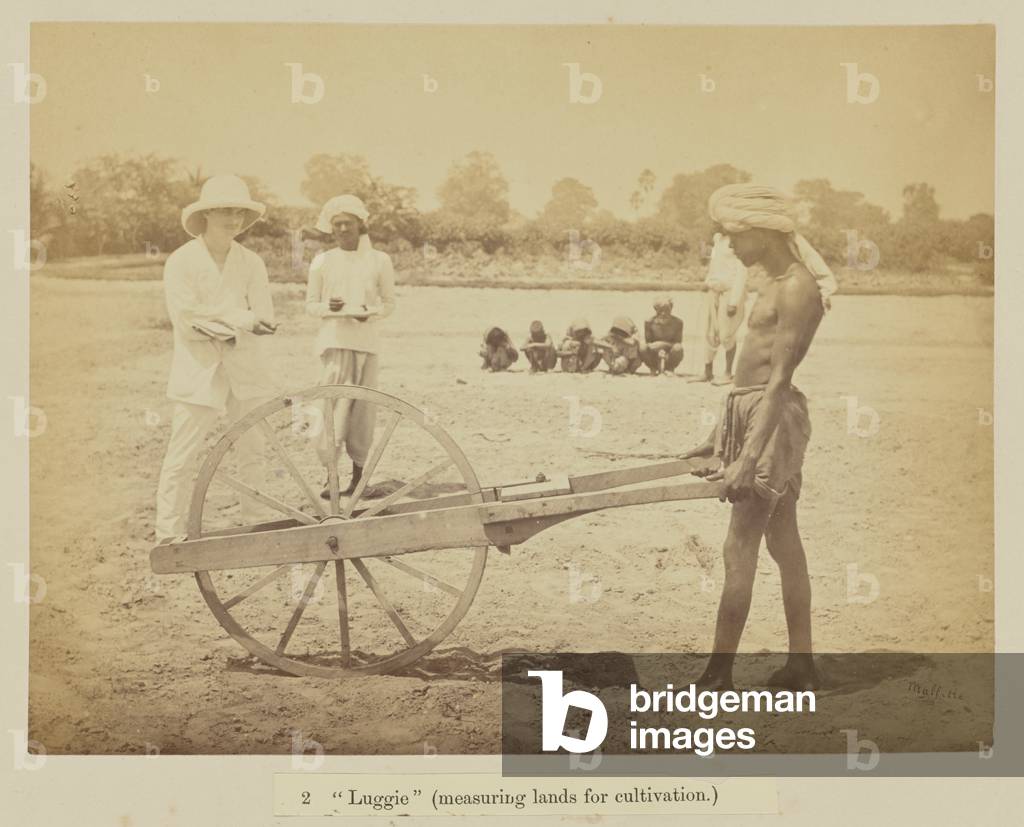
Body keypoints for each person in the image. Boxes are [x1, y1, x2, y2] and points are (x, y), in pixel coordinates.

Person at [682, 183, 835, 692]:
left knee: (738, 546)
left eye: (733, 236)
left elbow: (776, 380)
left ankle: (718, 674)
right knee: (784, 541)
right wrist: (716, 439)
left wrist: (748, 458)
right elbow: (750, 375)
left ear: (763, 233)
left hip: (773, 420)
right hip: (752, 413)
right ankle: (802, 665)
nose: (729, 246)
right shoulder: (768, 282)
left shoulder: (795, 288)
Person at [155, 174, 278, 542]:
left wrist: (226, 320)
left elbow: (266, 317)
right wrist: (241, 318)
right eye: (225, 211)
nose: (233, 219)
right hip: (199, 370)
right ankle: (168, 533)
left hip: (246, 367)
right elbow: (188, 323)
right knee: (183, 454)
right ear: (206, 215)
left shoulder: (251, 262)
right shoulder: (181, 262)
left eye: (239, 212)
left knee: (253, 448)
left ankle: (255, 523)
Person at [305, 195, 396, 499]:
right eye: (337, 224)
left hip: (366, 344)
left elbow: (389, 303)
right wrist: (329, 307)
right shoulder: (323, 260)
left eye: (348, 222)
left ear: (360, 224)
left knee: (362, 411)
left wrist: (369, 312)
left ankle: (358, 478)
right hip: (334, 342)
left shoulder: (379, 260)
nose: (343, 228)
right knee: (330, 409)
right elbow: (310, 305)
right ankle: (329, 476)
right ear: (331, 229)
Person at [697, 231, 749, 385]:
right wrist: (707, 282)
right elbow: (714, 265)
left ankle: (727, 373)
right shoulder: (718, 239)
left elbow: (741, 272)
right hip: (714, 291)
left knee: (726, 333)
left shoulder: (740, 240)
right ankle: (707, 372)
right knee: (710, 332)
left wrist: (734, 301)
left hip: (730, 292)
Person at [641, 296, 684, 375]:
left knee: (678, 348)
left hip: (670, 353)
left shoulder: (678, 323)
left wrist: (662, 345)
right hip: (654, 353)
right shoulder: (649, 322)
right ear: (656, 310)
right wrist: (657, 348)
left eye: (667, 310)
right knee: (642, 348)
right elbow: (648, 343)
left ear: (671, 309)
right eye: (660, 310)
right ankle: (653, 368)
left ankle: (670, 368)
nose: (663, 313)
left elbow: (678, 342)